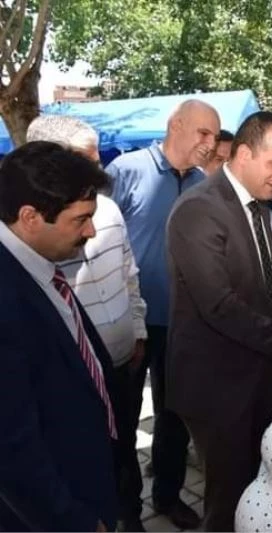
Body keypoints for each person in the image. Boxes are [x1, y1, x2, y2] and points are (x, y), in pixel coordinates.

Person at [165, 111, 272, 531]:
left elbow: (266, 274)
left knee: (251, 492)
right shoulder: (199, 210)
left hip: (253, 374)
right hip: (217, 386)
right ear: (243, 154)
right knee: (228, 505)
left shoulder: (253, 204)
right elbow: (220, 306)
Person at [26, 116, 148, 531]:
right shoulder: (30, 242)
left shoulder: (107, 210)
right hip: (75, 374)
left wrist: (138, 331)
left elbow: (129, 275)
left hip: (120, 357)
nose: (97, 174)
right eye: (84, 161)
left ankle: (129, 515)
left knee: (123, 447)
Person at [106, 99, 220, 529]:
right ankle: (127, 508)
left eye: (215, 135)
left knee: (175, 414)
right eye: (203, 133)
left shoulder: (201, 183)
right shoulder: (127, 170)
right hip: (130, 321)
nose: (210, 145)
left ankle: (168, 496)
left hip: (184, 322)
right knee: (125, 415)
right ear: (176, 125)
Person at [0, 142, 118, 531]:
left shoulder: (36, 263)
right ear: (30, 216)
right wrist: (76, 521)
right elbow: (13, 445)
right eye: (80, 219)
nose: (92, 231)